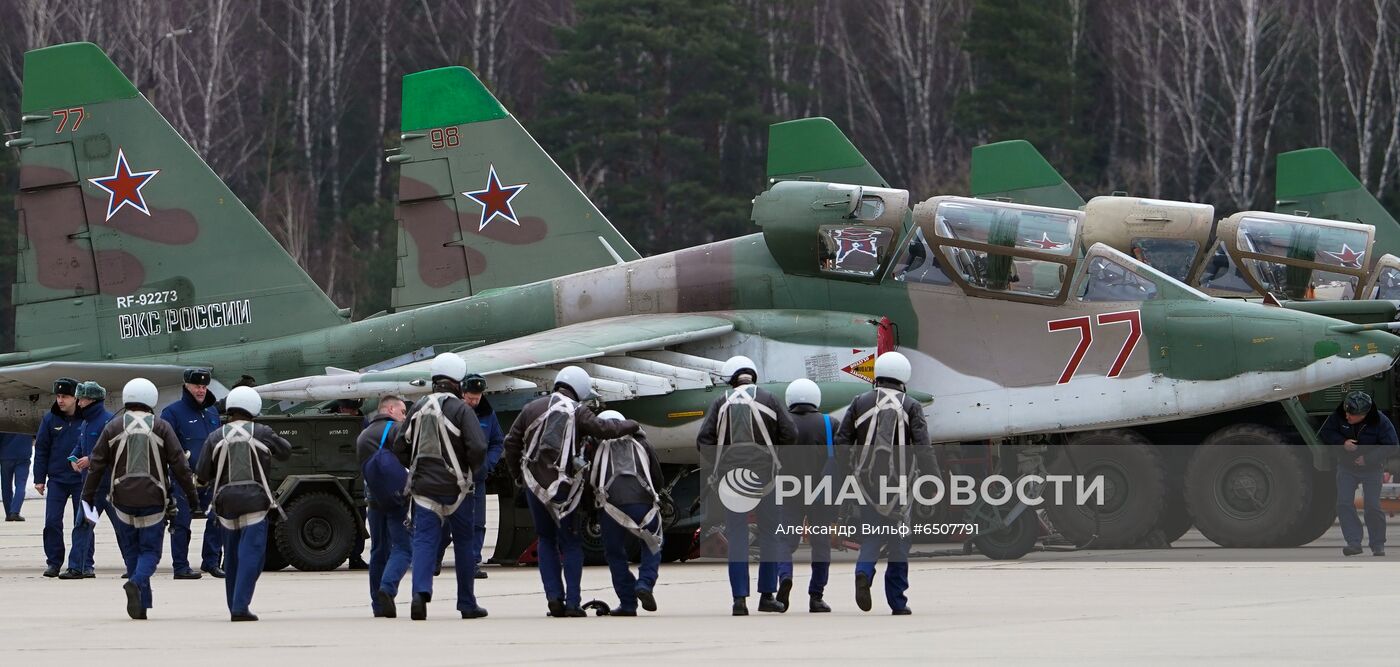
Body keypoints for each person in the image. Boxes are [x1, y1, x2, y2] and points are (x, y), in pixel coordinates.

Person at [505, 365, 639, 617]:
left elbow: (511, 443)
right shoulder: (578, 411)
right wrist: (632, 424)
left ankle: (554, 598)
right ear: (579, 390)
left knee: (545, 541)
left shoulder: (531, 408)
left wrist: (518, 477)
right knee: (571, 543)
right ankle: (572, 603)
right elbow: (605, 430)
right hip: (565, 491)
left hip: (535, 486)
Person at [82, 378, 200, 620]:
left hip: (121, 500)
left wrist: (87, 495)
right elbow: (180, 465)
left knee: (132, 552)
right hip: (153, 500)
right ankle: (136, 583)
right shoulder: (162, 427)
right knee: (150, 553)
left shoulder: (112, 427)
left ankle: (142, 606)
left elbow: (96, 464)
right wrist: (192, 496)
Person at [835, 351, 937, 615]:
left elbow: (842, 442)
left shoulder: (859, 402)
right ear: (903, 376)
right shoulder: (912, 405)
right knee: (899, 542)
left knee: (872, 534)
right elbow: (924, 448)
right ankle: (897, 602)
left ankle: (863, 572)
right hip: (900, 487)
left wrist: (844, 474)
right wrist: (933, 480)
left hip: (867, 483)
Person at [695, 355, 797, 616]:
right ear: (752, 376)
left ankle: (739, 600)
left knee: (738, 537)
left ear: (732, 378)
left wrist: (722, 464)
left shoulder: (720, 402)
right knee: (770, 535)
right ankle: (767, 596)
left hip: (732, 482)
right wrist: (774, 458)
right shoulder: (769, 398)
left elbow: (704, 440)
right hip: (766, 480)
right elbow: (791, 434)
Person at [390, 353, 488, 620]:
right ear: (458, 381)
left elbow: (399, 445)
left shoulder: (418, 406)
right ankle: (467, 603)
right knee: (465, 544)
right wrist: (472, 469)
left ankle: (419, 594)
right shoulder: (461, 410)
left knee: (423, 541)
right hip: (458, 489)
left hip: (423, 489)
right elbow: (478, 446)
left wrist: (415, 466)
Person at [195, 386, 291, 621]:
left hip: (225, 504)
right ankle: (240, 606)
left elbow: (202, 474)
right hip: (255, 504)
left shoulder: (215, 435)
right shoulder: (262, 431)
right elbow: (285, 451)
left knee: (233, 558)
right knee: (252, 556)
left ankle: (234, 605)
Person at [590, 409, 663, 616]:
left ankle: (628, 603)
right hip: (643, 505)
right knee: (652, 545)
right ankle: (645, 583)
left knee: (615, 554)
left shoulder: (598, 449)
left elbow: (591, 478)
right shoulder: (642, 444)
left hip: (610, 507)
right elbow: (656, 477)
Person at [775, 378, 837, 613]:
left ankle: (785, 578)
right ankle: (816, 596)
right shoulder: (830, 424)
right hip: (820, 493)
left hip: (788, 491)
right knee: (821, 545)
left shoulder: (781, 425)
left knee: (784, 540)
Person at [435, 374, 504, 580]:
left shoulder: (487, 414)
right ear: (462, 393)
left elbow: (497, 442)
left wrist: (487, 464)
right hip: (451, 477)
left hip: (477, 478)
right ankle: (435, 559)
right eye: (470, 397)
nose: (474, 402)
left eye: (477, 397)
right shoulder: (452, 412)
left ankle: (472, 562)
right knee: (444, 521)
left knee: (477, 523)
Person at [160, 368, 224, 579]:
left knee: (217, 518)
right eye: (197, 386)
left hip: (211, 479)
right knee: (181, 523)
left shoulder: (212, 412)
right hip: (183, 480)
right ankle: (181, 566)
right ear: (186, 386)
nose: (201, 390)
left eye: (204, 387)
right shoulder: (172, 413)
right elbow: (165, 448)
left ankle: (211, 562)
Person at [1320, 390, 1399, 557]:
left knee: (1372, 506)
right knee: (1343, 504)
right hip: (1346, 468)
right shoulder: (1341, 415)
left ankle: (1378, 545)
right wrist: (1342, 442)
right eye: (1346, 411)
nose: (1347, 416)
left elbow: (1392, 445)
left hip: (1372, 468)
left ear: (1364, 414)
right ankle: (1354, 543)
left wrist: (1368, 459)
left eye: (1351, 414)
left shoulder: (1381, 421)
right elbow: (1326, 433)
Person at [357, 395, 411, 618]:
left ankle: (377, 605)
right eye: (403, 411)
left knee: (378, 550)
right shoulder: (395, 429)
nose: (404, 416)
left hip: (373, 496)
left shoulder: (364, 434)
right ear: (390, 409)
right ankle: (387, 588)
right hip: (395, 496)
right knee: (404, 547)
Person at [34, 377, 85, 578]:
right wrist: (39, 478)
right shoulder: (50, 419)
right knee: (52, 521)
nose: (61, 400)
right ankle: (54, 562)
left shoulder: (85, 419)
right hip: (57, 480)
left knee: (81, 523)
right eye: (58, 396)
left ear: (75, 398)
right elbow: (41, 449)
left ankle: (82, 563)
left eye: (65, 396)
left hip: (80, 480)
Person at [65, 381, 115, 579]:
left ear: (93, 400)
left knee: (123, 529)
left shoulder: (109, 422)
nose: (78, 403)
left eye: (82, 399)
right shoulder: (86, 423)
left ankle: (133, 565)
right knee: (82, 527)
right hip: (91, 488)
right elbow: (80, 446)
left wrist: (91, 460)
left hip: (109, 487)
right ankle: (77, 567)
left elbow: (114, 451)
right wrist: (73, 459)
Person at [1, 432, 33, 521]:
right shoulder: (27, 420)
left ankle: (8, 513)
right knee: (20, 485)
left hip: (6, 455)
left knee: (6, 486)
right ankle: (15, 512)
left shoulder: (5, 419)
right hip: (23, 454)